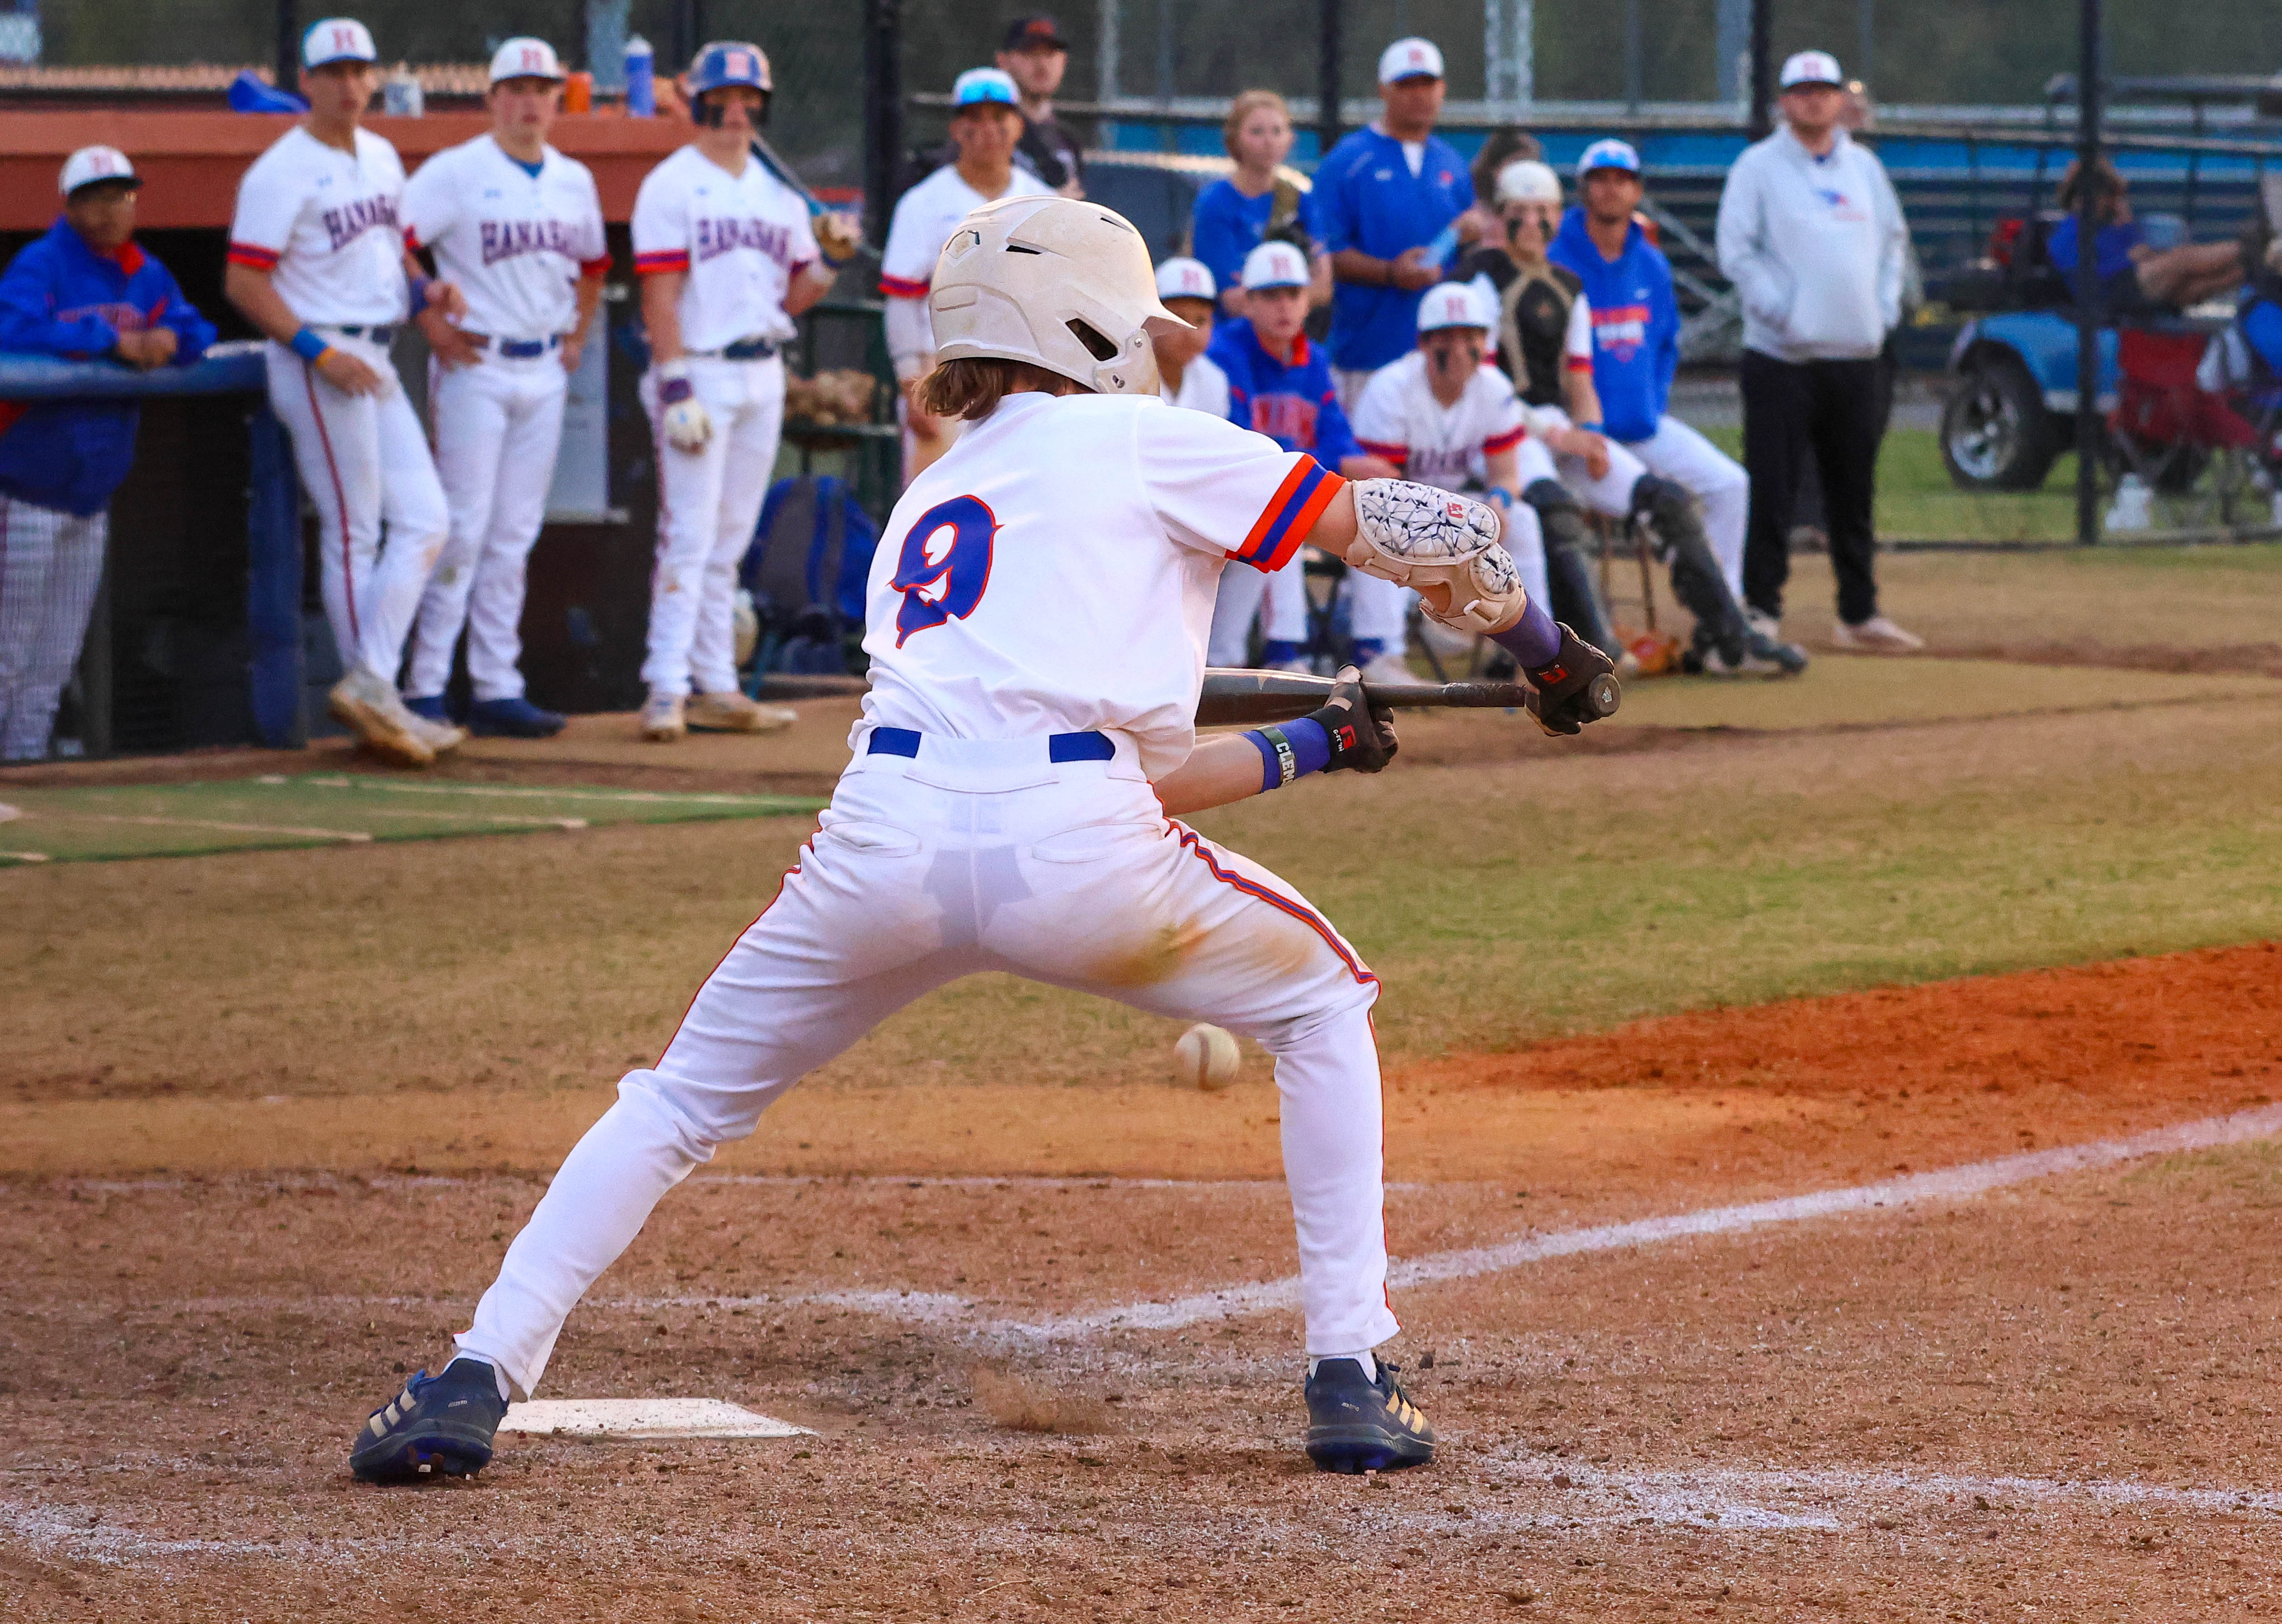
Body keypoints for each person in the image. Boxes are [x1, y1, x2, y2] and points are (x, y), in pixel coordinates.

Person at [345, 192, 1617, 1488]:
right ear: (1082, 326)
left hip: (880, 835)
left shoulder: (933, 495)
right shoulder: (1139, 435)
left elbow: (1143, 768)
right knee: (1321, 1001)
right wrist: (1543, 649)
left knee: (673, 1100)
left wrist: (1316, 742)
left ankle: (473, 1372)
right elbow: (1417, 533)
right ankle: (1350, 1367)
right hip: (1070, 840)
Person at [226, 16, 469, 767]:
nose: (349, 84)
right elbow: (243, 279)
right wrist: (316, 350)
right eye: (333, 72)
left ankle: (372, 683)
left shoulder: (382, 153)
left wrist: (427, 287)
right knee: (355, 528)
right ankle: (374, 691)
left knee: (428, 519)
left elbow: (391, 246)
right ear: (307, 83)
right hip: (320, 352)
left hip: (377, 348)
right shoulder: (280, 170)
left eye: (359, 70)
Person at [1480, 158, 1803, 677]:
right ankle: (1595, 650)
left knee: (1666, 500)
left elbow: (1580, 379)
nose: (1532, 224)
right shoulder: (1478, 282)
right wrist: (1559, 432)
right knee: (1556, 512)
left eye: (1543, 212)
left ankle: (1730, 637)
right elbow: (1484, 387)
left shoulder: (1568, 283)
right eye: (1519, 213)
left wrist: (1588, 433)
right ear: (1499, 217)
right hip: (1507, 434)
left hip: (1559, 431)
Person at [630, 41, 841, 743]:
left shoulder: (778, 192)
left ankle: (716, 683)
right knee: (687, 533)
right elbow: (658, 295)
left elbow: (794, 295)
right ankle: (664, 686)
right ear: (700, 104)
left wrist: (833, 257)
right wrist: (673, 380)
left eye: (749, 101)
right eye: (724, 100)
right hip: (699, 370)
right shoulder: (671, 183)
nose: (737, 113)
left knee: (728, 539)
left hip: (760, 371)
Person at [397, 37, 608, 740]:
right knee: (460, 527)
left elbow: (593, 264)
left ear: (557, 98)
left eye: (540, 88)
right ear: (492, 98)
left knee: (514, 534)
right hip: (475, 365)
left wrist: (577, 334)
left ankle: (495, 685)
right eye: (514, 88)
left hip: (543, 366)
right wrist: (429, 318)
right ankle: (424, 686)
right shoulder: (456, 171)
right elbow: (393, 240)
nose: (528, 101)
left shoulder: (572, 179)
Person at [0, 147, 215, 762]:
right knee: (8, 653)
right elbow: (12, 331)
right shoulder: (40, 264)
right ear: (69, 205)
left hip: (91, 501)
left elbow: (195, 329)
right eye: (96, 195)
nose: (112, 207)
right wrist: (109, 341)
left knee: (55, 657)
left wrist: (171, 338)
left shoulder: (145, 271)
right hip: (26, 493)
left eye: (122, 194)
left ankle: (25, 769)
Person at [1715, 52, 1917, 654]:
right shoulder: (1757, 168)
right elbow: (1736, 251)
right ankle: (1761, 609)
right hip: (1780, 359)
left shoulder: (1864, 170)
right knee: (1771, 488)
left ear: (1838, 99)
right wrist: (1780, 311)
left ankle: (1858, 612)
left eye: (1823, 90)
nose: (1812, 100)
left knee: (1851, 490)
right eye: (1800, 90)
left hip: (1854, 356)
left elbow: (1892, 245)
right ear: (1783, 101)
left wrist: (1879, 315)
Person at [1552, 141, 1753, 605]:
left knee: (1730, 484)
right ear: (1583, 189)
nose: (1611, 189)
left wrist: (1652, 403)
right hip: (1581, 440)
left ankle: (1727, 609)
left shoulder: (1650, 261)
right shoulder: (1557, 257)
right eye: (1600, 179)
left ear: (1637, 190)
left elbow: (1665, 342)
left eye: (1622, 179)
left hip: (1643, 427)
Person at [1206, 241, 1399, 672]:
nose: (1284, 307)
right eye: (1270, 295)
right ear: (1248, 303)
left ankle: (1376, 648)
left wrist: (1355, 463)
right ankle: (1285, 656)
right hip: (1241, 497)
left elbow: (1335, 428)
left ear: (1308, 300)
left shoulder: (1313, 359)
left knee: (1371, 509)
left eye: (1292, 294)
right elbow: (1245, 443)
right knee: (1285, 515)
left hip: (1295, 488)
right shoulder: (1225, 354)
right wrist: (1339, 461)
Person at [1349, 280, 1545, 683]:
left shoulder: (1494, 388)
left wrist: (1498, 502)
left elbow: (1507, 475)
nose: (1459, 349)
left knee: (1522, 520)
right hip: (1394, 503)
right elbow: (1377, 482)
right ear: (1423, 343)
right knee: (1376, 525)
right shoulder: (1391, 388)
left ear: (1485, 342)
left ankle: (1538, 650)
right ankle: (1381, 652)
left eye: (1470, 336)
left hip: (1452, 506)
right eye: (1446, 338)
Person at [881, 68, 1054, 482]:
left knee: (1018, 503)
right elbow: (901, 300)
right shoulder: (923, 203)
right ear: (956, 128)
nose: (988, 129)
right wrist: (912, 384)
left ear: (1018, 125)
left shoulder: (1042, 200)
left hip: (1025, 369)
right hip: (945, 368)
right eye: (974, 118)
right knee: (936, 504)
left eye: (999, 117)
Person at [1313, 37, 1478, 409]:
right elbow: (1326, 253)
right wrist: (1390, 272)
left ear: (1442, 89)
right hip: (1366, 354)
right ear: (1383, 90)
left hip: (1439, 360)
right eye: (1406, 85)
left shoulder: (1452, 163)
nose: (1419, 95)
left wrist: (1473, 237)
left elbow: (1468, 255)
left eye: (1427, 84)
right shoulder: (1347, 161)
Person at [1191, 90, 1331, 320]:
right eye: (1257, 132)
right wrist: (1293, 293)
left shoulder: (1300, 199)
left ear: (1290, 138)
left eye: (1277, 131)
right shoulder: (1215, 202)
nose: (1269, 141)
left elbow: (1324, 288)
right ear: (1235, 139)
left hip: (1290, 337)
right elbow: (1232, 300)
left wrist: (1266, 297)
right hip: (1233, 338)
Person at [994, 14, 1084, 198]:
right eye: (1029, 53)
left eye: (1050, 54)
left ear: (1064, 61)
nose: (1042, 64)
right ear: (1003, 61)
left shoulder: (1069, 140)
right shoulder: (986, 132)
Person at [1151, 256, 1230, 418]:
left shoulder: (1214, 381)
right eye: (1178, 318)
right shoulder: (1125, 378)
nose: (1190, 331)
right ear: (1151, 319)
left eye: (1201, 320)